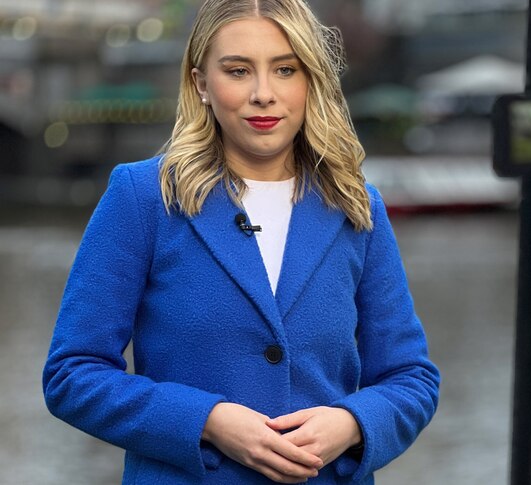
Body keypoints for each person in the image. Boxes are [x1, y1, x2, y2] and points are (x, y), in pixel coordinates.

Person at [42, 1, 440, 483]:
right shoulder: (144, 197)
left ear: (310, 81)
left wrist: (352, 424)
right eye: (237, 71)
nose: (263, 94)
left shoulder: (357, 206)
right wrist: (206, 421)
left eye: (285, 69)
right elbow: (71, 375)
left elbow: (411, 379)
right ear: (201, 84)